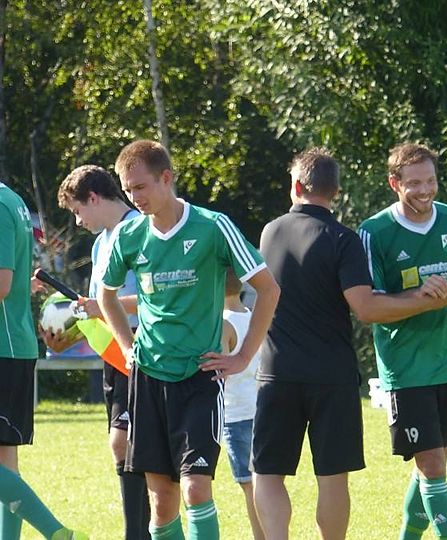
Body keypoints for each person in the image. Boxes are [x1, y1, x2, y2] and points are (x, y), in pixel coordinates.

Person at [255, 148, 447, 540]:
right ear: (336, 191)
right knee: (332, 477)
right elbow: (366, 308)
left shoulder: (270, 231)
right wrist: (423, 300)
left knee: (269, 473)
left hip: (277, 372)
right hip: (332, 375)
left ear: (297, 187)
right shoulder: (343, 239)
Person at [97, 140, 280, 540]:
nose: (134, 198)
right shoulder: (129, 234)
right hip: (148, 378)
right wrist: (127, 347)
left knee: (196, 488)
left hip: (199, 377)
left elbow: (268, 289)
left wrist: (242, 357)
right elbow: (106, 297)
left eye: (140, 187)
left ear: (166, 178)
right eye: (127, 190)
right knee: (162, 499)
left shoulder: (213, 227)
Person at [358, 142, 447, 540]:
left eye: (431, 181)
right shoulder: (374, 232)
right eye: (414, 183)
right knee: (432, 466)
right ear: (394, 183)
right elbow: (370, 306)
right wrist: (419, 298)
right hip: (405, 369)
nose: (425, 190)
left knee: (432, 466)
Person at [45, 164, 150, 539]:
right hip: (113, 355)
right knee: (122, 446)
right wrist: (67, 336)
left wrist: (105, 306)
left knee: (128, 443)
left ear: (93, 198)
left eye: (77, 211)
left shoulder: (142, 229)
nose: (77, 221)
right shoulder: (99, 243)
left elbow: (158, 297)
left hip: (142, 348)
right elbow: (97, 313)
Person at [1, 182, 86, 539]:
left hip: (3, 346)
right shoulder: (12, 200)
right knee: (6, 463)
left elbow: (2, 284)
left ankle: (56, 532)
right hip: (13, 345)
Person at [219, 270, 264, 540]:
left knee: (250, 487)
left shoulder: (223, 325)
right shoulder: (253, 316)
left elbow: (218, 374)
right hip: (260, 409)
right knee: (265, 482)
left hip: (236, 415)